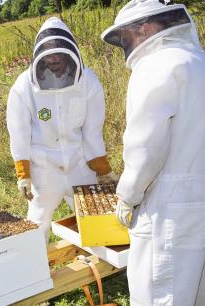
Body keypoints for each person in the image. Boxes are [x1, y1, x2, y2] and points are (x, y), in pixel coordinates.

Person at [101, 0, 205, 305]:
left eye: (125, 37)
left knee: (160, 292)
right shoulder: (197, 61)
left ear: (144, 28)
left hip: (169, 207)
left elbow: (146, 147)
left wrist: (128, 196)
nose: (125, 45)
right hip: (198, 197)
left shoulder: (156, 66)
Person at [6, 17, 118, 240]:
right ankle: (34, 271)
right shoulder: (23, 86)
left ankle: (100, 264)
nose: (53, 58)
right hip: (44, 167)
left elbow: (92, 130)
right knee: (37, 224)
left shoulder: (88, 81)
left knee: (96, 219)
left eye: (58, 52)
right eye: (48, 53)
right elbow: (19, 133)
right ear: (38, 53)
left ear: (70, 51)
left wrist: (102, 169)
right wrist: (24, 173)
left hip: (80, 163)